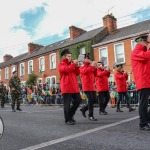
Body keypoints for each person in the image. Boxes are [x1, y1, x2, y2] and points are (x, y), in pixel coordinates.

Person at [131, 34, 150, 131]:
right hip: (143, 81)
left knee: (145, 102)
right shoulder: (136, 52)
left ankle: (148, 119)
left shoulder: (145, 51)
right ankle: (142, 123)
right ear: (141, 41)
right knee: (144, 103)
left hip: (148, 80)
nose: (148, 44)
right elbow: (146, 56)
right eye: (147, 42)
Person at [58, 49, 81, 125]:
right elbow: (66, 70)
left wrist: (77, 66)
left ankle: (70, 115)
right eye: (68, 56)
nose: (70, 57)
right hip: (66, 86)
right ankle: (67, 119)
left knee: (78, 100)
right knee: (67, 104)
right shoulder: (61, 64)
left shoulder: (71, 64)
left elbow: (77, 73)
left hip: (74, 87)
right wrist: (74, 64)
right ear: (64, 57)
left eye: (70, 56)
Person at [79, 53, 97, 121]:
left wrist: (95, 68)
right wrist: (92, 66)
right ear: (84, 59)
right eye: (88, 58)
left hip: (92, 86)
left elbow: (95, 74)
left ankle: (84, 109)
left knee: (95, 100)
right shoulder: (82, 67)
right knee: (90, 100)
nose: (89, 59)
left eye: (90, 58)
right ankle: (91, 115)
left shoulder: (90, 67)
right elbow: (84, 71)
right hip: (86, 86)